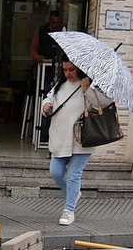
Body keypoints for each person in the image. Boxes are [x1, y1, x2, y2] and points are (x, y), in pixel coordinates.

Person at [41, 56, 109, 226]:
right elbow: (49, 99)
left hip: (82, 138)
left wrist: (87, 90)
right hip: (60, 137)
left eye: (71, 69)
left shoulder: (90, 84)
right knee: (55, 172)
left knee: (73, 175)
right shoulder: (60, 85)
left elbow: (104, 104)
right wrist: (46, 106)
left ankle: (68, 210)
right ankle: (74, 192)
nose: (68, 73)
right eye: (65, 70)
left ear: (79, 68)